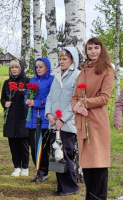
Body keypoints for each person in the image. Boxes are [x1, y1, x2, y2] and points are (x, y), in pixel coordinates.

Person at [71, 37, 114, 200]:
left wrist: (84, 103)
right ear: (86, 51)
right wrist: (75, 106)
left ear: (101, 49)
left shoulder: (107, 70)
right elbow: (74, 96)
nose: (93, 51)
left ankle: (99, 197)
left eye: (96, 48)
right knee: (88, 165)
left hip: (96, 121)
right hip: (83, 120)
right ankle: (90, 197)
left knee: (99, 162)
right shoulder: (83, 70)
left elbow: (104, 98)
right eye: (90, 48)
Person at [45, 47, 79, 196]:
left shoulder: (77, 75)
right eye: (60, 59)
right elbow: (50, 97)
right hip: (54, 123)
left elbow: (75, 101)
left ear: (72, 59)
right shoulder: (56, 75)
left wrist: (62, 119)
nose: (62, 61)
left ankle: (71, 187)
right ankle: (61, 186)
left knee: (66, 155)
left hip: (67, 123)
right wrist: (49, 115)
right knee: (57, 155)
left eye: (65, 59)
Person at [25, 57, 54, 182]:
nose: (38, 69)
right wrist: (26, 101)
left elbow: (52, 98)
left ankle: (44, 172)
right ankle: (37, 171)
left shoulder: (51, 80)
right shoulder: (32, 79)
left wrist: (37, 102)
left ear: (47, 68)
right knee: (34, 146)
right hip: (32, 118)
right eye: (37, 67)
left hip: (44, 118)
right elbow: (26, 95)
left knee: (43, 147)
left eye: (41, 67)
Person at [0, 59, 30, 177]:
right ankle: (16, 166)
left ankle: (25, 167)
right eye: (12, 68)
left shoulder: (27, 81)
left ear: (20, 69)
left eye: (16, 68)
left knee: (23, 144)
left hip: (23, 118)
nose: (14, 70)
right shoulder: (6, 83)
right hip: (11, 118)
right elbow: (2, 98)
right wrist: (4, 103)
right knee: (13, 144)